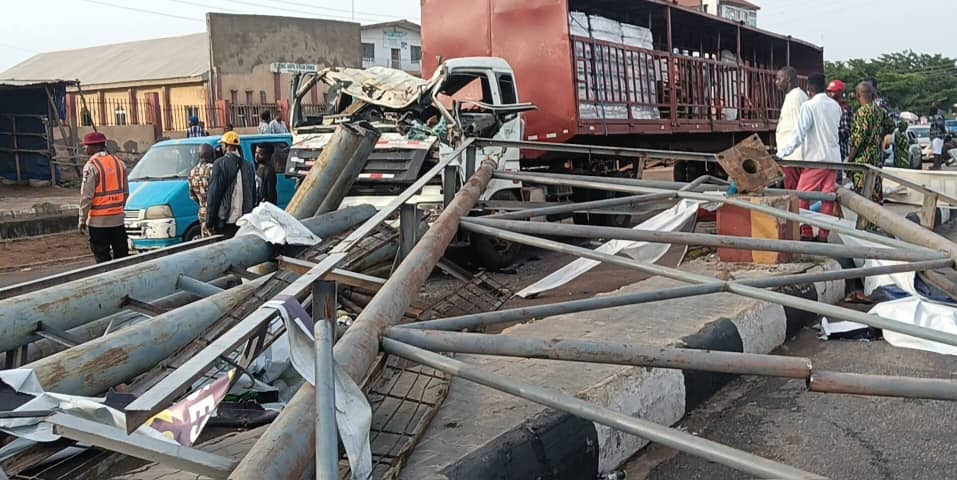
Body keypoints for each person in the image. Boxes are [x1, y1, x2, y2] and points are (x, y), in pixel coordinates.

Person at [776, 73, 842, 242]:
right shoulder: (835, 106)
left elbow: (799, 133)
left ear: (809, 89)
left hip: (816, 159)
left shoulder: (809, 106)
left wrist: (782, 153)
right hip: (833, 159)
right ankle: (823, 235)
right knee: (828, 197)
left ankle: (805, 231)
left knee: (800, 196)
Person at [78, 132, 130, 263]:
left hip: (98, 222)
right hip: (118, 220)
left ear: (95, 147)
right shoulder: (119, 163)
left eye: (87, 146)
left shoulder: (91, 166)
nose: (85, 149)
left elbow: (86, 197)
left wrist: (82, 219)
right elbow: (125, 192)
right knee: (122, 258)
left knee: (102, 259)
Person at [847, 81, 895, 207]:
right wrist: (878, 136)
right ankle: (873, 225)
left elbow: (858, 140)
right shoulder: (880, 111)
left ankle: (866, 226)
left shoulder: (862, 112)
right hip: (876, 160)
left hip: (862, 162)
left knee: (863, 199)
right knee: (875, 196)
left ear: (858, 95)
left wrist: (850, 160)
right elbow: (891, 126)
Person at [206, 131, 256, 237]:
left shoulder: (220, 164)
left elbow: (214, 194)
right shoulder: (249, 166)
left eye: (222, 145)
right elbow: (253, 194)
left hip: (226, 222)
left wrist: (209, 221)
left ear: (226, 146)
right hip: (245, 221)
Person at [774, 67, 809, 189]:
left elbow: (800, 128)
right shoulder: (793, 96)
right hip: (790, 155)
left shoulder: (796, 97)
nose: (776, 82)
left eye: (779, 79)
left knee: (793, 192)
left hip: (793, 157)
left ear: (788, 79)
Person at [187, 144, 216, 237]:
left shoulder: (192, 172)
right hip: (215, 213)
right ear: (212, 155)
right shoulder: (214, 169)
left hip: (202, 212)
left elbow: (193, 195)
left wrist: (202, 202)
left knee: (206, 242)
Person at [826, 80, 852, 160]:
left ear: (840, 93)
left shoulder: (844, 109)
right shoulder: (826, 106)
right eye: (828, 92)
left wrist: (831, 134)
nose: (829, 94)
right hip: (826, 149)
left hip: (838, 150)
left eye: (832, 92)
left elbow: (847, 130)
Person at [929, 104, 947, 170]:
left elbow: (940, 124)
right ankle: (938, 165)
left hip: (937, 136)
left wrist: (943, 131)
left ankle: (936, 165)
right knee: (938, 151)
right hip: (939, 136)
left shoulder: (937, 117)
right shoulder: (938, 116)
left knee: (936, 151)